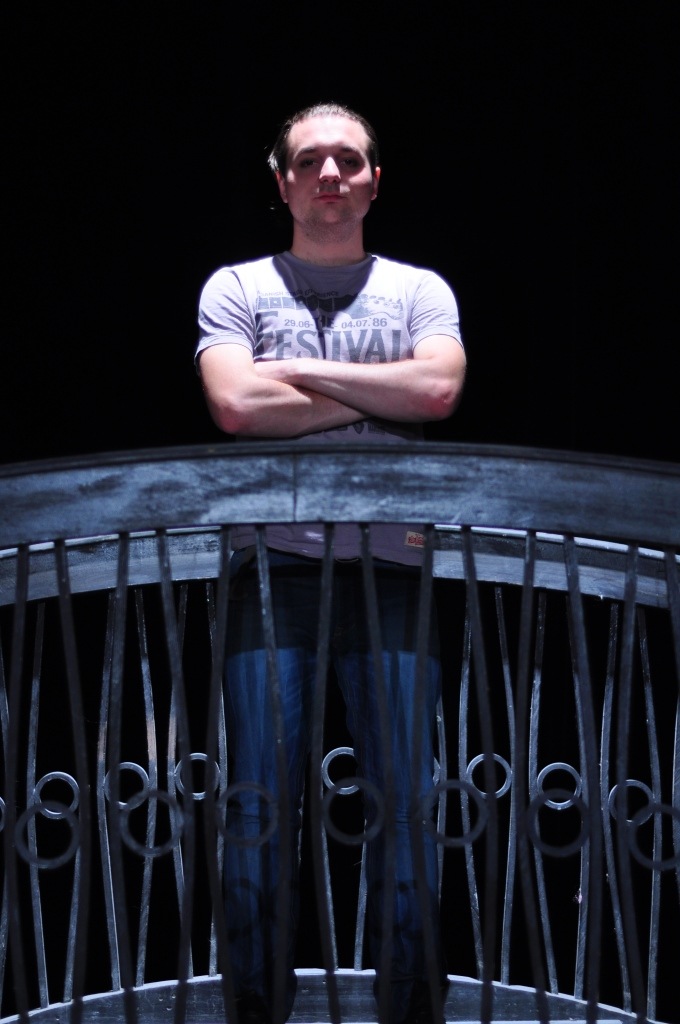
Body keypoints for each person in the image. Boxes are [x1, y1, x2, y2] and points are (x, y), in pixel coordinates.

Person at [196, 103, 466, 1024]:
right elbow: (235, 407)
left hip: (394, 569)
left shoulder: (420, 290)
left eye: (348, 160)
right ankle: (254, 1010)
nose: (330, 174)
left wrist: (297, 376)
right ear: (281, 183)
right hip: (271, 570)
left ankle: (409, 1011)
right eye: (310, 160)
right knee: (258, 809)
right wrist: (380, 396)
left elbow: (439, 389)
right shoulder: (235, 286)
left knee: (409, 807)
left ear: (374, 182)